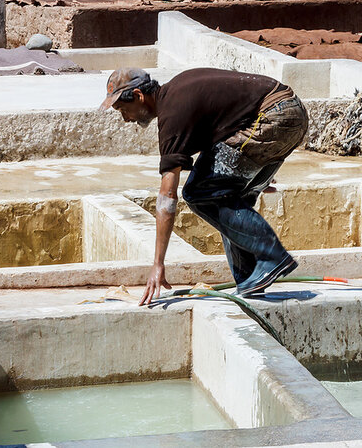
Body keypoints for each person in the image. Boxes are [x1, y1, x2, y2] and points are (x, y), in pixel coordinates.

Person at [99, 67, 309, 305]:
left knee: (199, 192)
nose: (126, 119)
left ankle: (272, 256)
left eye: (123, 110)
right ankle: (251, 279)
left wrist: (158, 264)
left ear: (138, 96)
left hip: (273, 115)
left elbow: (168, 197)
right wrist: (253, 174)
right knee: (227, 195)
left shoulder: (172, 113)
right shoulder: (177, 93)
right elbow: (231, 118)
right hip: (289, 112)